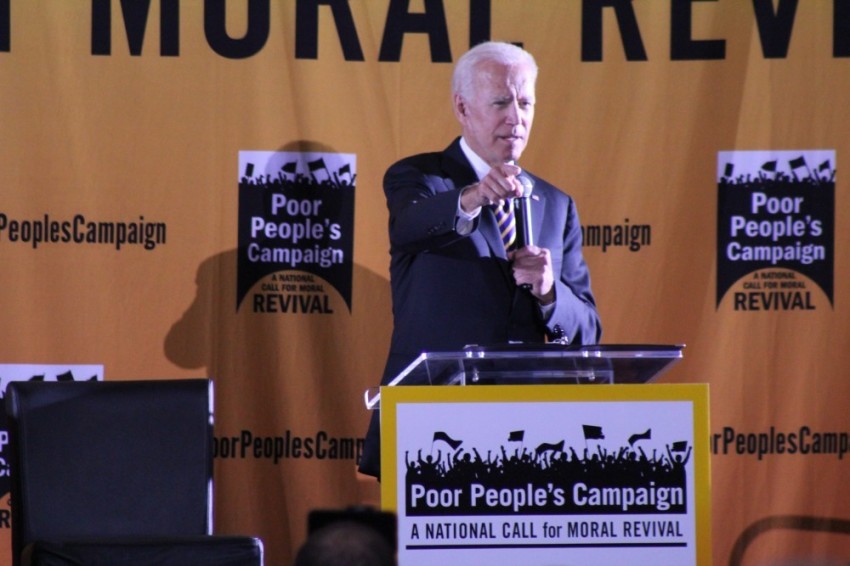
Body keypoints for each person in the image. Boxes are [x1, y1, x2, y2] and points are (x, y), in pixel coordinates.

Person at [358, 41, 601, 478]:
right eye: (501, 102)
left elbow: (587, 330)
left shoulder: (556, 204)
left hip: (528, 435)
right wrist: (472, 197)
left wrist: (550, 293)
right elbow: (410, 225)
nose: (516, 118)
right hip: (432, 427)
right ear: (463, 107)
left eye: (525, 103)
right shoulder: (420, 178)